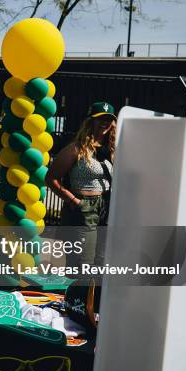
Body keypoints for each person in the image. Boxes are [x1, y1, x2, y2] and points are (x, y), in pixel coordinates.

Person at [45, 102, 116, 267]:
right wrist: (75, 202)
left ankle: (93, 294)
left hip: (105, 207)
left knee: (101, 261)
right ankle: (77, 293)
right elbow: (51, 179)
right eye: (100, 118)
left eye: (108, 119)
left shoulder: (111, 150)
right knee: (81, 264)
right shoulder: (76, 148)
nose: (105, 122)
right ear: (90, 121)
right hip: (83, 207)